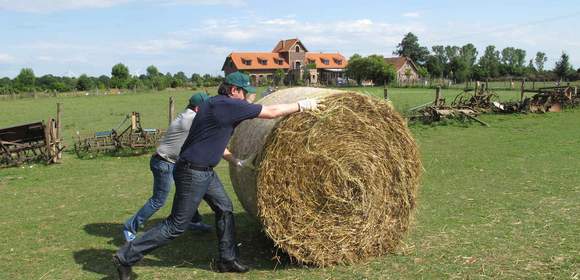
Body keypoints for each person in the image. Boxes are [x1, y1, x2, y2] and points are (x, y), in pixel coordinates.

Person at [113, 71, 321, 280]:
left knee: (224, 208)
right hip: (193, 172)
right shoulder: (229, 105)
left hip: (202, 171)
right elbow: (272, 112)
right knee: (175, 225)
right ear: (234, 90)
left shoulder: (212, 104)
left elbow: (213, 140)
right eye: (245, 92)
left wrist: (236, 160)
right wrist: (302, 105)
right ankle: (125, 257)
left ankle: (227, 259)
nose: (248, 97)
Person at [122, 92, 212, 242]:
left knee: (187, 191)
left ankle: (193, 221)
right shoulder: (190, 119)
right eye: (206, 107)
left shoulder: (187, 115)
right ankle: (129, 227)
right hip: (164, 163)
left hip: (172, 162)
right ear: (197, 108)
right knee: (158, 200)